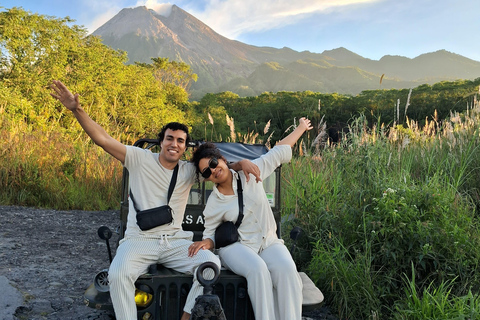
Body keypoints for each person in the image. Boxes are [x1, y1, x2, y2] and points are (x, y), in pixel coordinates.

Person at [49, 80, 260, 320]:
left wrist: (238, 164)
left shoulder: (188, 171)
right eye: (170, 138)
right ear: (162, 141)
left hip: (175, 241)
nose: (174, 144)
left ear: (185, 147)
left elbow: (214, 169)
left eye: (180, 141)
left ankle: (186, 316)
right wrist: (77, 110)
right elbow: (104, 140)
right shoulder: (139, 159)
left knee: (211, 265)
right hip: (140, 239)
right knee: (118, 275)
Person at [188, 117, 313, 320]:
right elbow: (211, 235)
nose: (213, 170)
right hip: (237, 247)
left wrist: (300, 128)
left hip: (268, 241)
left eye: (213, 163)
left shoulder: (252, 171)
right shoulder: (214, 202)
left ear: (220, 158)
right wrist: (205, 242)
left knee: (288, 270)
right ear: (206, 177)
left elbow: (278, 151)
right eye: (206, 171)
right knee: (258, 270)